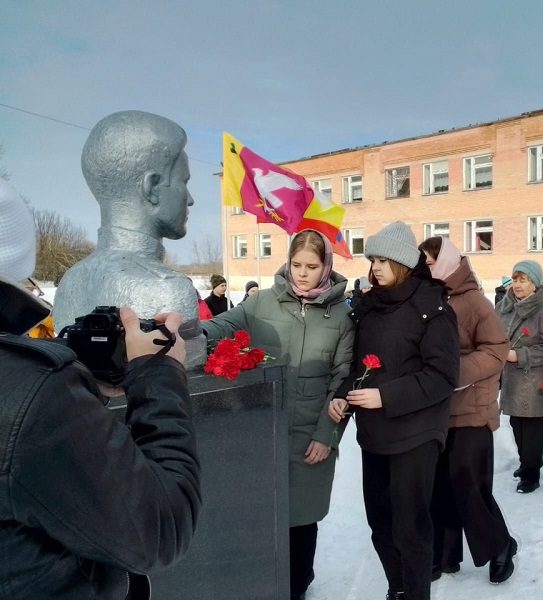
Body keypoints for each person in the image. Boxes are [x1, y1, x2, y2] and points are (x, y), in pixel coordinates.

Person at [0, 177, 201, 599]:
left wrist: (72, 383)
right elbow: (160, 529)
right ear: (149, 184)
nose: (191, 196)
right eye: (182, 177)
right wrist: (158, 373)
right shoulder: (30, 394)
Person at [203, 230, 354, 600]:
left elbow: (343, 379)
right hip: (262, 430)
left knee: (301, 518)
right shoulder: (261, 304)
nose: (303, 273)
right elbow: (219, 328)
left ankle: (298, 584)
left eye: (312, 266)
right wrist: (181, 331)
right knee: (260, 513)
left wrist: (326, 435)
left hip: (310, 432)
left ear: (326, 267)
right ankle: (266, 580)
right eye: (297, 264)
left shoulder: (342, 315)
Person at [328, 221, 459, 600]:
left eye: (384, 260)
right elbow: (358, 368)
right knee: (381, 525)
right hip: (376, 434)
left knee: (410, 527)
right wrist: (342, 397)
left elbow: (443, 374)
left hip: (416, 433)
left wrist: (386, 396)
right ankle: (398, 588)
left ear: (403, 262)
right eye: (372, 260)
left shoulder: (431, 307)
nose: (375, 267)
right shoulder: (369, 307)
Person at [52, 110, 205, 367]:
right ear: (152, 187)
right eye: (184, 182)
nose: (190, 199)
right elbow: (185, 385)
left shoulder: (71, 279)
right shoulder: (167, 287)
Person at [419, 236, 515, 585]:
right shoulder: (426, 297)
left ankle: (501, 544)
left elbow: (497, 349)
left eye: (430, 262)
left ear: (446, 262)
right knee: (439, 485)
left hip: (471, 408)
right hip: (434, 409)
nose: (424, 268)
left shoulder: (474, 301)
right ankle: (446, 554)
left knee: (469, 485)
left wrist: (451, 373)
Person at [495, 260, 543, 494]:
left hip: (535, 380)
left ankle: (533, 472)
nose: (518, 285)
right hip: (511, 377)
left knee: (533, 427)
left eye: (524, 280)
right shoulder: (504, 306)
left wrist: (518, 355)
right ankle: (525, 463)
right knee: (517, 423)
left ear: (535, 283)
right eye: (515, 279)